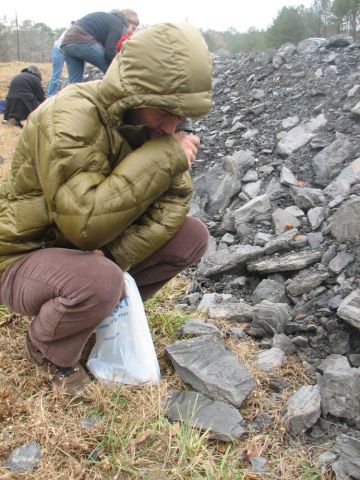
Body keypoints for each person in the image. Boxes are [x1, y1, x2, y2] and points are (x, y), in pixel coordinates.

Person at [0, 23, 212, 396]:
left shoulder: (155, 129)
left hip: (86, 253)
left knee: (191, 236)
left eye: (180, 115)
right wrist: (165, 157)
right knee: (100, 279)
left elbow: (174, 202)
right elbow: (83, 225)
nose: (171, 126)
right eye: (164, 111)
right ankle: (47, 347)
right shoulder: (70, 114)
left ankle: (98, 314)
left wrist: (113, 254)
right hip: (23, 255)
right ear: (134, 92)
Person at [61, 9, 139, 84]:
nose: (132, 32)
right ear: (127, 22)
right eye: (133, 28)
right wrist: (121, 65)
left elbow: (107, 48)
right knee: (113, 69)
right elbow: (110, 51)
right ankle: (121, 93)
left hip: (66, 43)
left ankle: (72, 97)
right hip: (82, 40)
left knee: (75, 84)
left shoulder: (110, 19)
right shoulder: (119, 24)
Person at [47, 22, 75, 97]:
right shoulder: (70, 31)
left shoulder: (76, 31)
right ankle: (51, 95)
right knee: (56, 74)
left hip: (66, 51)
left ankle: (71, 93)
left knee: (73, 73)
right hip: (58, 51)